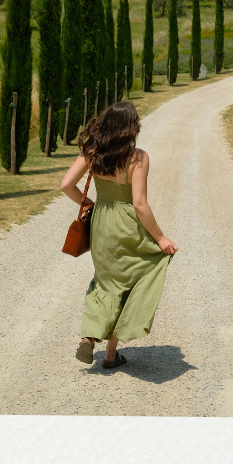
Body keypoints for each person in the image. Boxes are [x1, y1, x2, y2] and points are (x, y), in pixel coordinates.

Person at [60, 101, 178, 368]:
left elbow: (66, 185)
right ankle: (111, 354)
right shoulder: (138, 158)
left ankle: (90, 337)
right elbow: (139, 204)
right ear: (130, 128)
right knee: (133, 280)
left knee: (105, 281)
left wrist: (89, 203)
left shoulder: (92, 152)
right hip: (128, 225)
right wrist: (160, 238)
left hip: (102, 222)